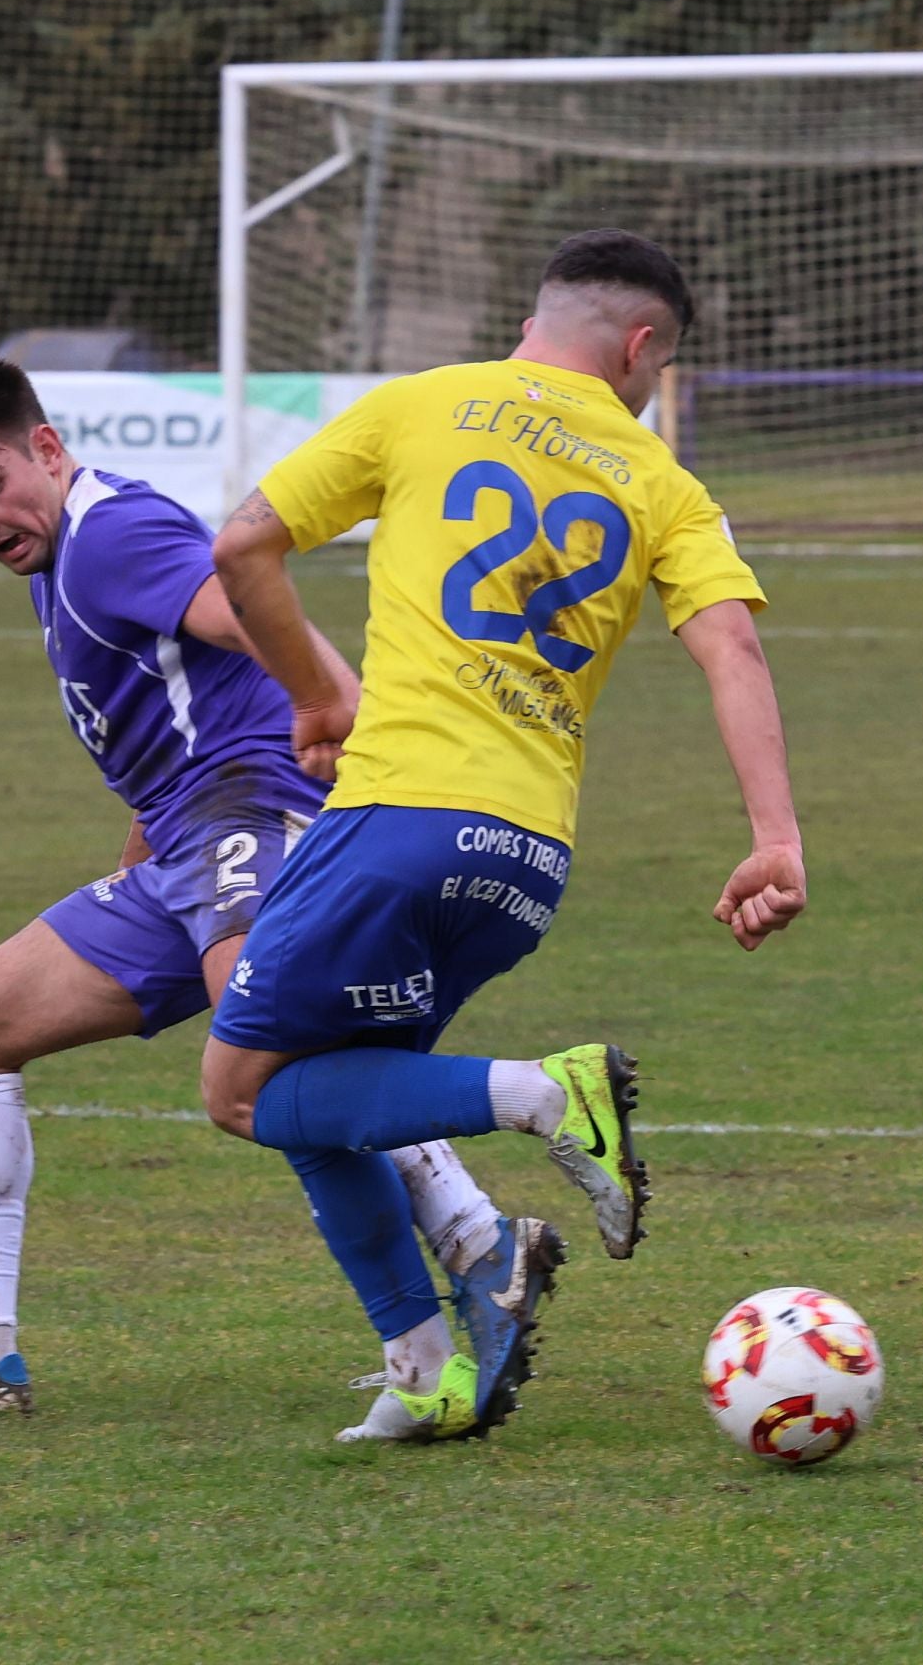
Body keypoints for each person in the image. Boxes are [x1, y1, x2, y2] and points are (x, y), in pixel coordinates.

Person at [0, 356, 562, 1434]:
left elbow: (244, 605)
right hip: (180, 848)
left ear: (45, 447)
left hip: (247, 813)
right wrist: (140, 838)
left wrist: (342, 710)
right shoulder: (63, 556)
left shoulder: (110, 534)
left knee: (273, 1058)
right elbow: (169, 703)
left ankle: (481, 1241)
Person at [200, 229, 808, 1441]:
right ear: (641, 349)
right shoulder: (662, 480)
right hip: (527, 860)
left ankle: (547, 1093)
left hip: (396, 815)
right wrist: (774, 838)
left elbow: (240, 546)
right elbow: (732, 646)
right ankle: (425, 1367)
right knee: (334, 1091)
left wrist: (317, 700)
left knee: (237, 1089)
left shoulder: (425, 406)